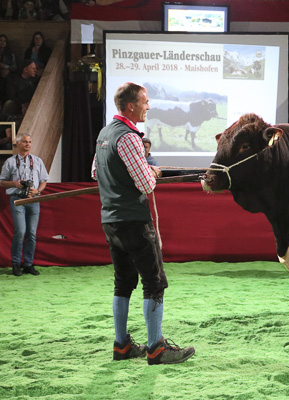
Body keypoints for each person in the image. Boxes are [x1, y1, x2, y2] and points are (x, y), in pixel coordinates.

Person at [91, 82, 195, 365]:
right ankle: (156, 349)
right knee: (154, 284)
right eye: (145, 101)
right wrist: (151, 169)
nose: (149, 106)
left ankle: (122, 346)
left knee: (123, 283)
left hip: (110, 221)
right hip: (134, 221)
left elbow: (94, 172)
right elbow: (146, 183)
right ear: (130, 106)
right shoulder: (128, 137)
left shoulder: (105, 134)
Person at [0, 133, 48, 276]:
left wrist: (37, 191)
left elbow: (44, 180)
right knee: (20, 231)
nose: (28, 144)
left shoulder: (38, 161)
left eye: (29, 142)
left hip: (33, 199)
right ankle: (16, 263)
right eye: (25, 142)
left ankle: (28, 264)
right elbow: (1, 181)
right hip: (17, 199)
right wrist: (15, 183)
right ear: (18, 144)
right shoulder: (10, 162)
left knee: (32, 233)